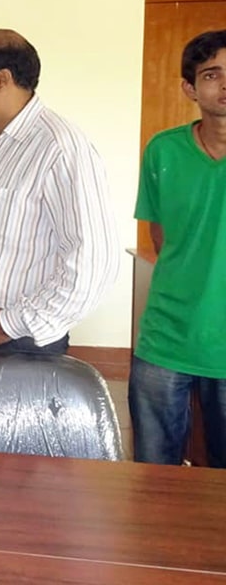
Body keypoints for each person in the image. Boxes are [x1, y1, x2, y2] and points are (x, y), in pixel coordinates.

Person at [0, 30, 117, 406]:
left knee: (9, 446)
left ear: (2, 80)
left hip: (16, 343)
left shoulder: (60, 148)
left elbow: (94, 263)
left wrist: (8, 324)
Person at [131, 29, 226, 467]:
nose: (224, 85)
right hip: (165, 339)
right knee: (155, 473)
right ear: (190, 88)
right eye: (212, 74)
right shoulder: (163, 151)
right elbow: (160, 235)